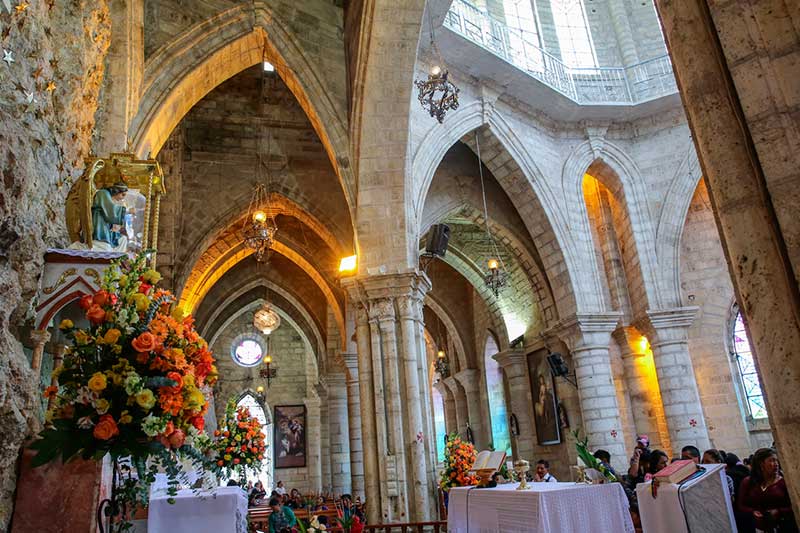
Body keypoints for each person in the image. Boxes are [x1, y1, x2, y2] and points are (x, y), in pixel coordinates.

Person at [737, 448, 796, 532]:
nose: (776, 464)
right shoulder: (748, 482)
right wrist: (753, 512)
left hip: (783, 526)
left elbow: (794, 505)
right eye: (772, 460)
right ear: (761, 464)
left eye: (776, 460)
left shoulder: (784, 482)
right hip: (757, 527)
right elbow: (741, 505)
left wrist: (778, 511)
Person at [91, 183, 129, 251]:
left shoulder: (108, 197)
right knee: (105, 246)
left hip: (105, 225)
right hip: (99, 223)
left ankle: (116, 256)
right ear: (117, 191)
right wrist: (127, 210)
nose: (122, 198)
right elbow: (110, 210)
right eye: (123, 195)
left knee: (123, 239)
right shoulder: (103, 193)